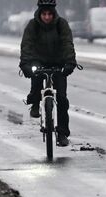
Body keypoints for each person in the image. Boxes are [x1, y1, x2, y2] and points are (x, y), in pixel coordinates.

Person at [19, 0, 77, 147]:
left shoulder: (61, 24)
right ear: (40, 13)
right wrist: (25, 64)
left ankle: (62, 133)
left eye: (49, 14)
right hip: (39, 62)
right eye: (44, 14)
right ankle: (34, 102)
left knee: (62, 99)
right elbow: (26, 45)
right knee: (36, 80)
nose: (46, 17)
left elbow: (67, 43)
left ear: (53, 13)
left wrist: (70, 62)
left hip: (58, 63)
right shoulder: (32, 26)